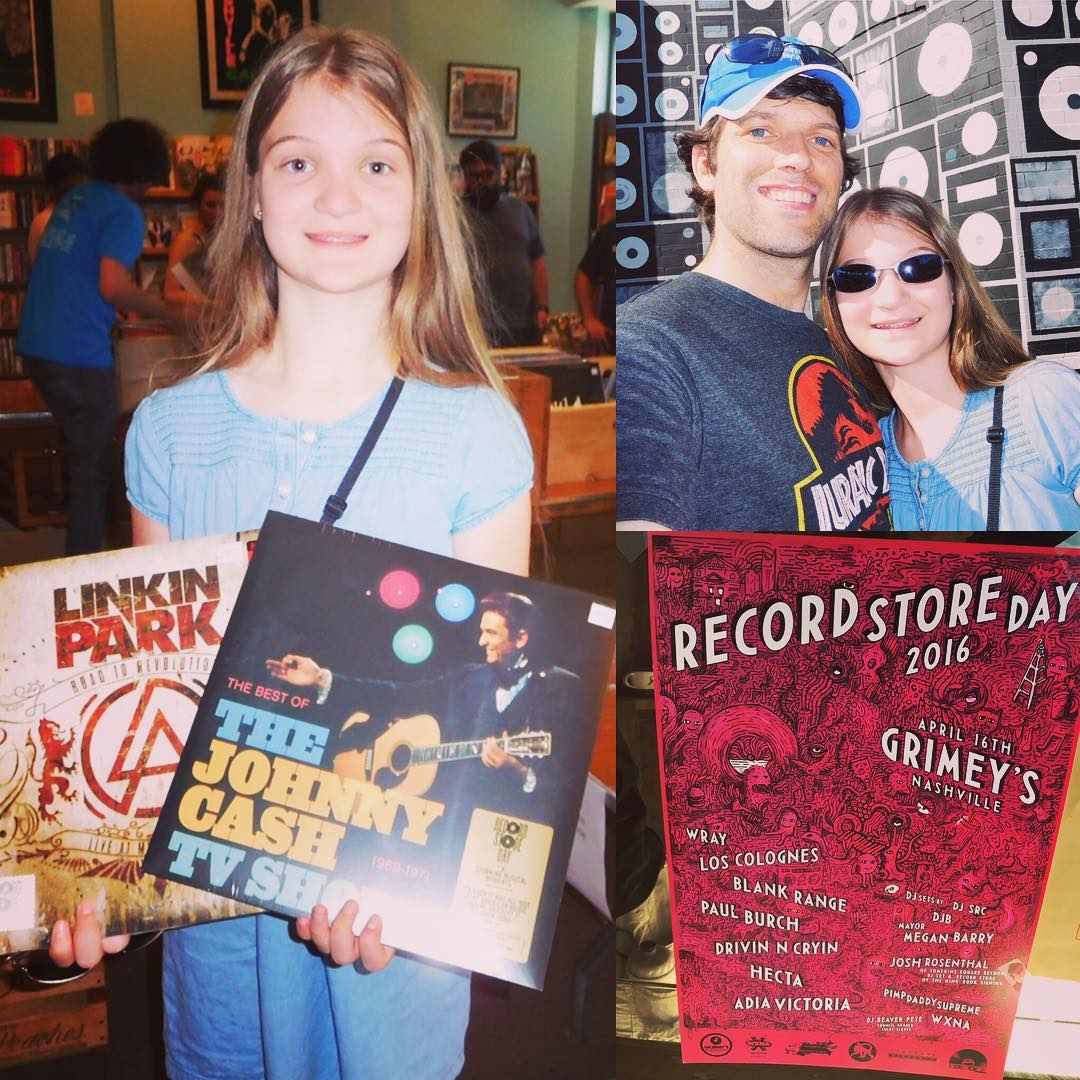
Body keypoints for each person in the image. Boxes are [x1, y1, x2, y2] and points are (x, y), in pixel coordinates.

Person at [47, 27, 533, 1080]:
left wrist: (426, 896)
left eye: (375, 164)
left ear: (418, 199)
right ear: (253, 196)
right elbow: (149, 696)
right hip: (224, 943)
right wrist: (102, 877)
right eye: (298, 161)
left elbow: (494, 705)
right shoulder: (170, 432)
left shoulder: (480, 432)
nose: (336, 196)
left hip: (390, 933)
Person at [616, 34, 891, 533]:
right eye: (761, 130)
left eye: (822, 139)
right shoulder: (649, 351)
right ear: (706, 165)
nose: (798, 158)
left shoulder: (847, 341)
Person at [820, 187, 1080, 531]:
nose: (891, 297)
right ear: (835, 303)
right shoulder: (862, 464)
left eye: (918, 267)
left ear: (954, 285)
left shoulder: (1042, 400)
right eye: (858, 277)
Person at [17, 119, 180, 555]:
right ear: (149, 171)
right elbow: (112, 284)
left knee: (91, 454)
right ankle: (86, 562)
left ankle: (96, 545)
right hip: (76, 353)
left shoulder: (76, 199)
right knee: (95, 466)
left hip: (37, 345)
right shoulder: (124, 212)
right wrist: (174, 316)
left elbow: (79, 275)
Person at [265, 591, 578, 810]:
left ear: (521, 638)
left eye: (491, 633)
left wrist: (518, 770)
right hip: (435, 817)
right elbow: (397, 694)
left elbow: (565, 785)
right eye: (481, 631)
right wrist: (322, 678)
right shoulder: (467, 678)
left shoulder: (559, 688)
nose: (481, 641)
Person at [460, 139, 548, 347]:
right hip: (473, 326)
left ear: (500, 173)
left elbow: (537, 262)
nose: (482, 181)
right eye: (475, 175)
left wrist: (543, 307)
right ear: (465, 176)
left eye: (488, 174)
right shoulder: (454, 216)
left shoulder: (520, 210)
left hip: (523, 324)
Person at [164, 171, 224, 303]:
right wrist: (212, 305)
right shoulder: (188, 240)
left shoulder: (219, 239)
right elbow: (171, 293)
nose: (217, 212)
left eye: (222, 206)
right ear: (198, 205)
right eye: (210, 205)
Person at [27, 151, 87, 263]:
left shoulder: (72, 216)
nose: (78, 196)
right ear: (52, 190)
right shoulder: (46, 222)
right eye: (71, 191)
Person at [576, 213, 615, 354]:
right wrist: (589, 317)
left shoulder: (666, 230)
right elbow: (585, 274)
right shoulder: (610, 231)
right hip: (614, 334)